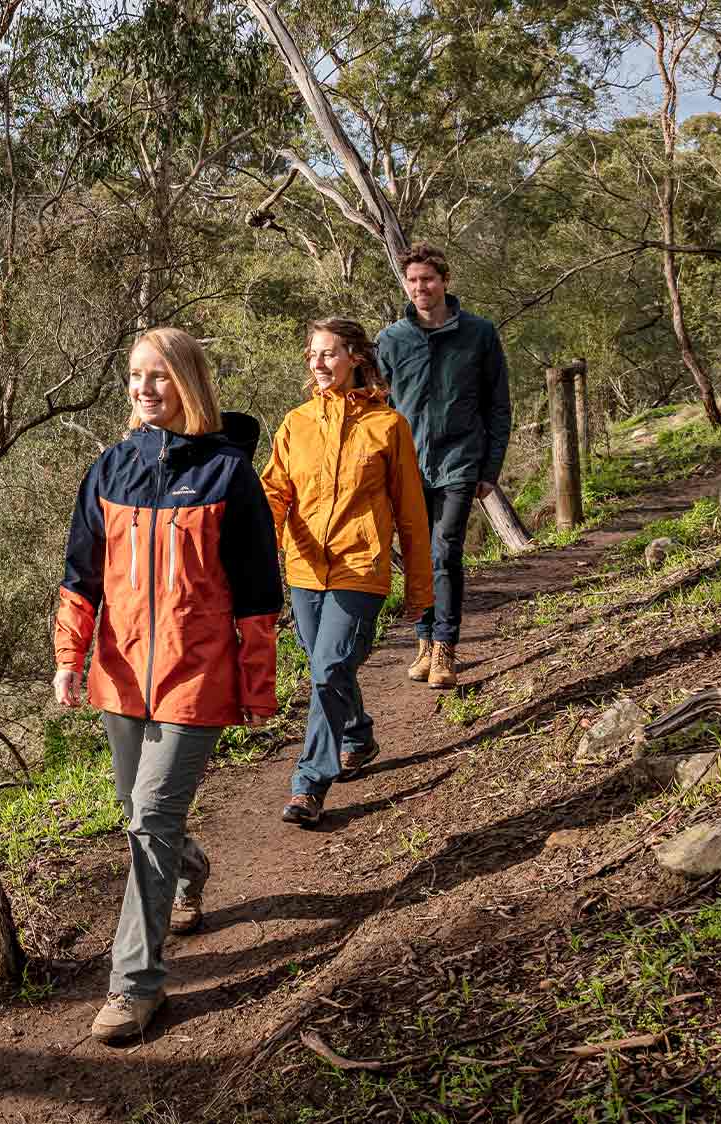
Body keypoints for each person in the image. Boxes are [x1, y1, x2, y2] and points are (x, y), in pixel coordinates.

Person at [52, 326, 282, 1044]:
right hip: (121, 675)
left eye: (158, 376)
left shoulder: (227, 475)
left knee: (148, 818)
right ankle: (190, 869)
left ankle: (134, 987)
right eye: (134, 376)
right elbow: (81, 576)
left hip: (197, 676)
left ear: (188, 383)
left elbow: (255, 594)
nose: (144, 389)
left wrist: (256, 686)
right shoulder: (110, 470)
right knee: (139, 812)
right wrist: (69, 656)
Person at [260, 318, 432, 826]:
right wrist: (260, 553)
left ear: (355, 357)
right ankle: (356, 733)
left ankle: (309, 783)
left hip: (361, 565)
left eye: (328, 353)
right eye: (312, 353)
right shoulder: (296, 424)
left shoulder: (388, 426)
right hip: (305, 569)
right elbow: (274, 493)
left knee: (331, 665)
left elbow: (411, 514)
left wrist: (420, 588)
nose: (317, 362)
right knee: (325, 667)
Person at [376, 243, 513, 689]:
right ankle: (422, 640)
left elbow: (498, 405)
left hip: (460, 461)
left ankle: (445, 648)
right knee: (418, 555)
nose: (421, 288)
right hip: (407, 464)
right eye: (413, 281)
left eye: (428, 279)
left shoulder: (479, 333)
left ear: (445, 281)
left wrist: (489, 470)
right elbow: (378, 409)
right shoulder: (391, 340)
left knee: (445, 549)